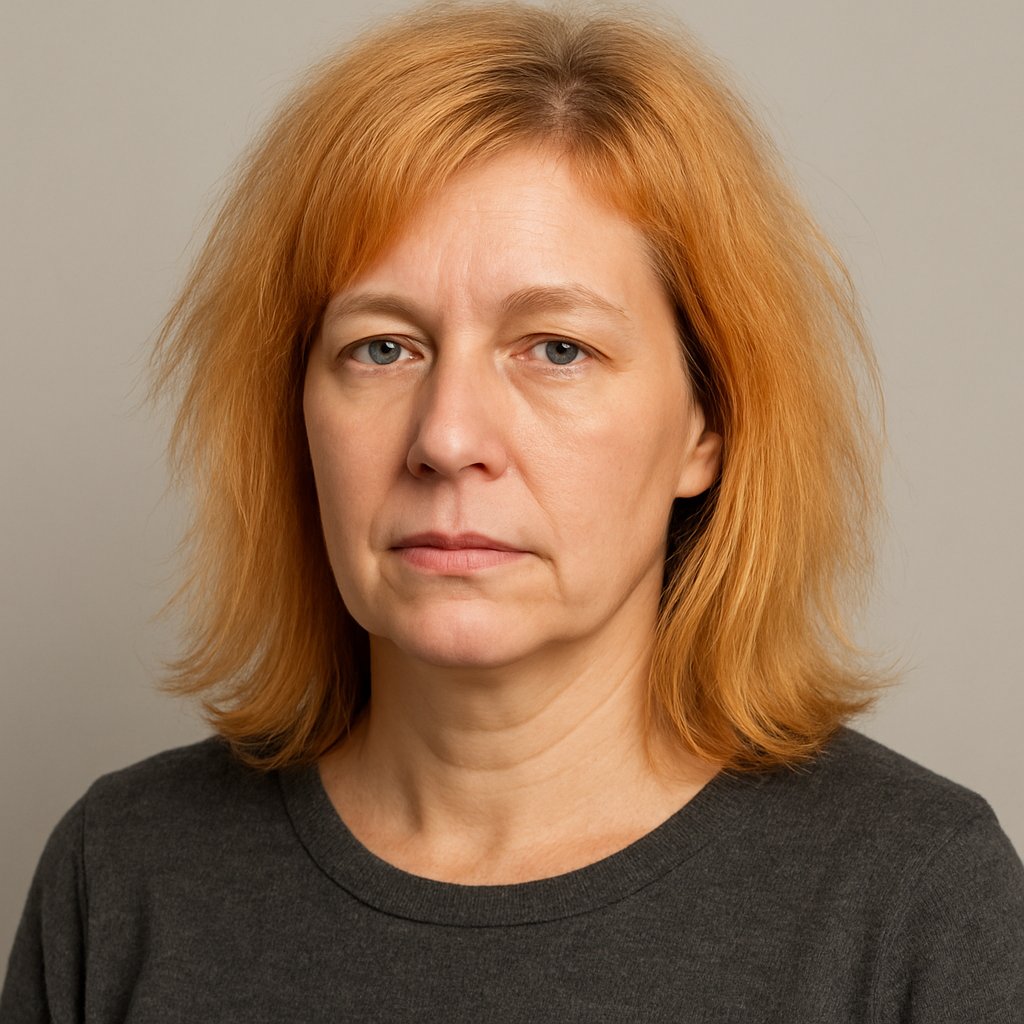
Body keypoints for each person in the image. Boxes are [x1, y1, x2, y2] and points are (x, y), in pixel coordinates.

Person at [2, 2, 1022, 1021]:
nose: (447, 438)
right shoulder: (122, 880)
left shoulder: (915, 904)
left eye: (557, 349)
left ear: (705, 427)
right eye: (382, 347)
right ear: (296, 415)